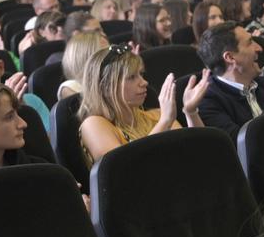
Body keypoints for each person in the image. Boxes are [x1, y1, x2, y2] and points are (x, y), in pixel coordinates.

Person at [78, 44, 208, 164]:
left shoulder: (156, 115)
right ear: (105, 87)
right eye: (131, 77)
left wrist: (190, 112)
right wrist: (165, 122)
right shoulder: (93, 124)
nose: (144, 82)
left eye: (141, 74)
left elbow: (197, 153)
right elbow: (121, 169)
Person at [196, 23, 264, 139]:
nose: (260, 48)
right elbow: (240, 145)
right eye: (250, 42)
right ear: (230, 57)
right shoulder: (206, 101)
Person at [59, 30, 109, 100]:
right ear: (86, 58)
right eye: (104, 54)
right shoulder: (70, 87)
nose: (111, 56)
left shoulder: (107, 78)